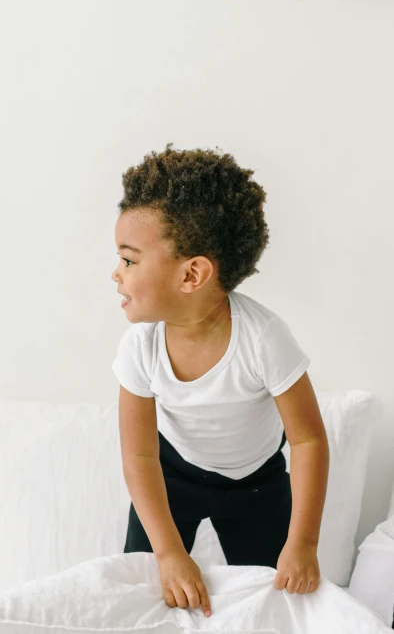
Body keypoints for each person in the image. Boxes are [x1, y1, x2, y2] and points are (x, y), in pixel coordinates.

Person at [111, 143, 330, 619]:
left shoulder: (263, 338)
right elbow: (140, 454)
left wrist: (304, 543)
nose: (116, 274)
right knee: (142, 588)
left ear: (192, 274)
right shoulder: (140, 347)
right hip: (171, 474)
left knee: (278, 599)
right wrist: (169, 554)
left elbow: (309, 440)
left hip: (256, 483)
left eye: (129, 261)